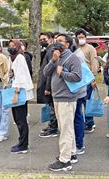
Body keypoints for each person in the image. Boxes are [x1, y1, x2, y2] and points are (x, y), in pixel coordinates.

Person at [43, 33, 84, 171]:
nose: (57, 42)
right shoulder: (56, 56)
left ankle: (65, 160)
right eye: (56, 40)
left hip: (67, 98)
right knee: (66, 128)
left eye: (60, 41)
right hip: (57, 97)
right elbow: (45, 73)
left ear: (67, 44)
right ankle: (71, 153)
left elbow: (78, 77)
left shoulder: (73, 58)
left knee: (65, 129)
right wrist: (53, 61)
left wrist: (62, 73)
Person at [7, 39, 34, 154]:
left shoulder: (20, 57)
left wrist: (16, 94)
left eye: (14, 45)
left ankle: (23, 145)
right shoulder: (11, 57)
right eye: (10, 45)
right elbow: (14, 73)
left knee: (21, 119)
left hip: (19, 92)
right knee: (17, 119)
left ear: (18, 47)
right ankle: (21, 142)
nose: (11, 47)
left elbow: (22, 77)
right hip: (14, 90)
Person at [75, 29, 99, 133]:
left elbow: (94, 63)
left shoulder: (90, 48)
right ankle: (84, 122)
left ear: (85, 37)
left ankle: (90, 123)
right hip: (78, 79)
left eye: (82, 37)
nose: (81, 39)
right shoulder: (74, 48)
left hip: (88, 78)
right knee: (79, 101)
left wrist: (93, 78)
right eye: (78, 37)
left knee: (87, 101)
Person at [37, 32, 59, 138]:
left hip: (49, 84)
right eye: (40, 39)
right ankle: (52, 126)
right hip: (47, 82)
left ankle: (53, 128)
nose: (42, 41)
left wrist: (47, 87)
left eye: (44, 39)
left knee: (52, 107)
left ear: (50, 39)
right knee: (52, 106)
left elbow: (51, 69)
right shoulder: (47, 50)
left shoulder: (51, 50)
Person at [71, 37, 88, 155]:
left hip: (78, 90)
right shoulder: (77, 54)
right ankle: (78, 142)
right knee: (77, 116)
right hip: (79, 90)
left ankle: (79, 144)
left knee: (77, 117)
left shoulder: (77, 56)